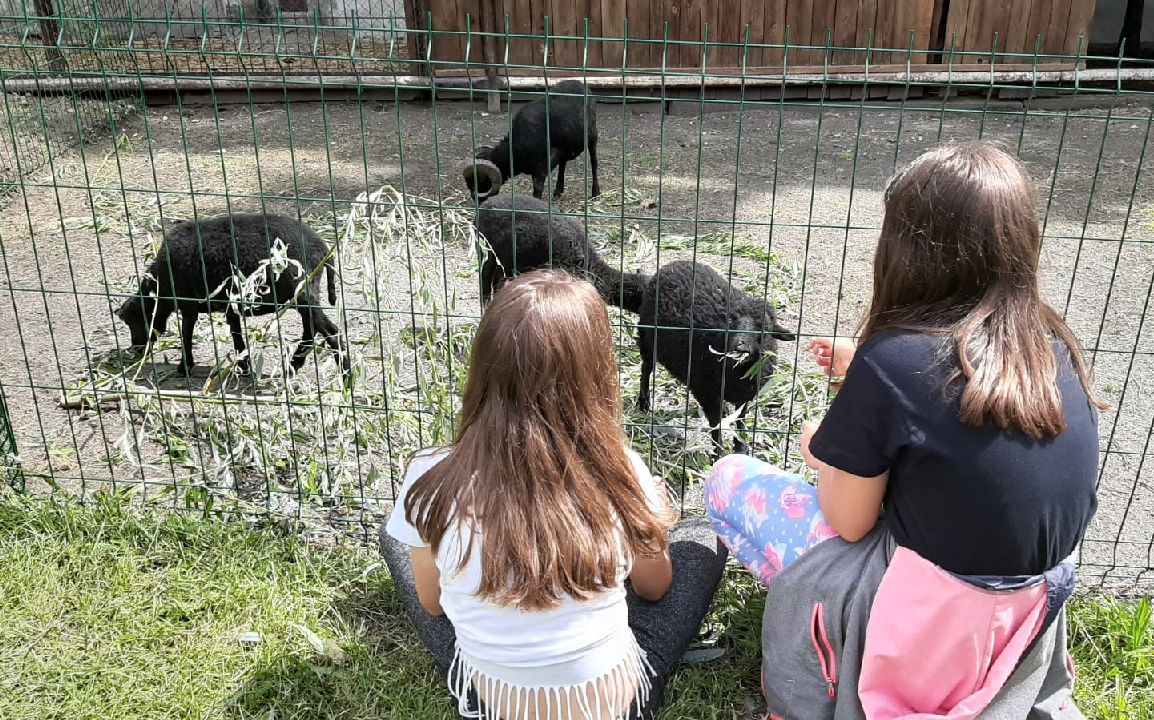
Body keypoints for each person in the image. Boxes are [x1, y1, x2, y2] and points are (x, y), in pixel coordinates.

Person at [705, 142, 1104, 719]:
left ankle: (830, 635)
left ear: (906, 249)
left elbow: (850, 520)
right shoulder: (1053, 355)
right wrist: (862, 383)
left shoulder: (892, 361)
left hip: (925, 615)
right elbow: (966, 444)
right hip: (1026, 613)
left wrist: (823, 451)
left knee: (728, 479)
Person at [380, 269, 727, 720]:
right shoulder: (621, 469)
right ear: (596, 373)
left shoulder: (430, 474)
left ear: (484, 366)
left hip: (493, 705)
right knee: (702, 536)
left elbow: (433, 604)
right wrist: (652, 518)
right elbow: (654, 588)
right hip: (617, 707)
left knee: (396, 537)